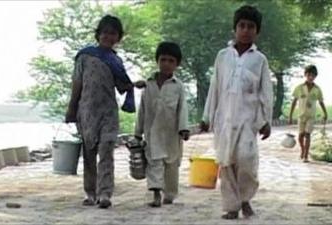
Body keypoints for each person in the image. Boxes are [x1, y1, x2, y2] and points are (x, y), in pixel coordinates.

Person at [200, 5, 273, 220]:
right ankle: (232, 206)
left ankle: (245, 198)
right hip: (224, 120)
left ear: (256, 31)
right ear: (235, 29)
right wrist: (207, 117)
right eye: (242, 25)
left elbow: (265, 93)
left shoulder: (260, 60)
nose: (246, 30)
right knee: (226, 163)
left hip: (248, 121)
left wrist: (265, 120)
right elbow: (214, 88)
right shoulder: (223, 56)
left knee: (246, 161)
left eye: (251, 26)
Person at [65, 15, 143, 209]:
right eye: (105, 32)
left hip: (108, 112)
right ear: (98, 34)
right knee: (89, 153)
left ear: (118, 38)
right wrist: (71, 109)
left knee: (106, 151)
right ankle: (90, 193)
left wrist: (135, 85)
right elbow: (77, 84)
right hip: (87, 111)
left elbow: (123, 86)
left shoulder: (116, 62)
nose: (108, 36)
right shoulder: (84, 56)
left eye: (113, 33)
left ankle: (105, 193)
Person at [135, 41, 189, 208]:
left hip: (172, 134)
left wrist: (184, 128)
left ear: (177, 64)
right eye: (163, 60)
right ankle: (156, 194)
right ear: (157, 61)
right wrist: (137, 132)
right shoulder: (148, 84)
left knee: (172, 165)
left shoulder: (178, 86)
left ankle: (169, 195)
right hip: (152, 133)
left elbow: (182, 109)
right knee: (154, 163)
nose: (166, 64)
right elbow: (142, 110)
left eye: (171, 61)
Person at [289, 65, 327, 163]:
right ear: (305, 75)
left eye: (313, 76)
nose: (311, 77)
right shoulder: (299, 88)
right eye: (309, 75)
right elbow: (294, 101)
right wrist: (290, 115)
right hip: (301, 116)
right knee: (300, 135)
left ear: (315, 76)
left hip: (311, 116)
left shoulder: (317, 89)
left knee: (307, 134)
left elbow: (321, 102)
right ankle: (302, 149)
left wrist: (325, 113)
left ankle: (306, 155)